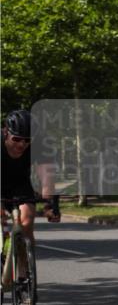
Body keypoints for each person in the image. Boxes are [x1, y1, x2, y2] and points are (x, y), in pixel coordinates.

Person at [1, 109, 60, 286]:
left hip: (20, 185)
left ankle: (23, 274)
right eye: (17, 139)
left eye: (27, 141)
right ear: (6, 132)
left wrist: (50, 204)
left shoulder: (41, 146)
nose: (21, 145)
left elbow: (47, 177)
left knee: (26, 220)